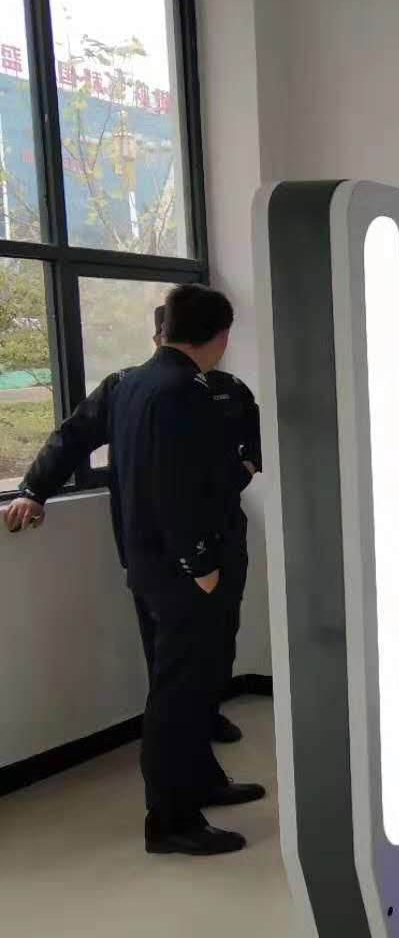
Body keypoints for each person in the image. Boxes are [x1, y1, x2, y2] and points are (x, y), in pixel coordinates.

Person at [4, 305, 262, 745]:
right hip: (159, 547)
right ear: (159, 336)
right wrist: (34, 489)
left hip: (222, 537)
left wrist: (245, 468)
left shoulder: (228, 390)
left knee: (220, 638)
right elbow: (74, 436)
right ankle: (175, 755)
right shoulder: (127, 387)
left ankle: (205, 717)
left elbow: (253, 442)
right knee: (168, 653)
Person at [112, 285, 264, 855]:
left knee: (194, 685)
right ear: (221, 336)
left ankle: (200, 782)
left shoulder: (134, 383)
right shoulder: (181, 391)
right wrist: (200, 564)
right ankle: (171, 820)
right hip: (182, 571)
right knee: (177, 696)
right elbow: (176, 490)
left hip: (154, 563)